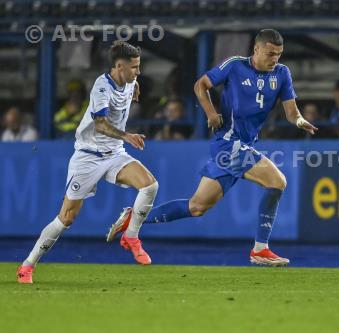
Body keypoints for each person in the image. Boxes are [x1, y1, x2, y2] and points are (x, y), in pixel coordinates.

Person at [106, 29, 317, 267]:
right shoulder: (235, 65)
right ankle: (261, 249)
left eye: (278, 54)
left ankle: (133, 216)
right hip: (228, 143)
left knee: (197, 207)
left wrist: (300, 121)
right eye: (270, 53)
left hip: (245, 144)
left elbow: (291, 112)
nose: (275, 59)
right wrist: (211, 112)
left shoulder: (282, 73)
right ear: (256, 49)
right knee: (277, 182)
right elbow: (201, 84)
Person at [17, 41, 158, 284]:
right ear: (118, 66)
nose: (138, 72)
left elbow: (134, 86)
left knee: (150, 185)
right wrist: (128, 135)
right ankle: (28, 265)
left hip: (114, 153)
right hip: (88, 157)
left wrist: (136, 88)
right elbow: (101, 125)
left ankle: (131, 236)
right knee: (66, 218)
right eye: (134, 67)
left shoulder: (130, 79)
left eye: (138, 67)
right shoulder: (101, 87)